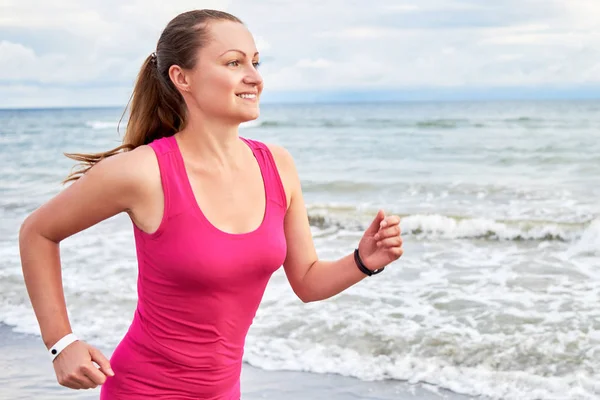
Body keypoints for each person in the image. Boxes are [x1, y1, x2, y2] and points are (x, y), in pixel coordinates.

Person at [18, 9, 404, 400]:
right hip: (145, 391)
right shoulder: (144, 172)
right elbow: (38, 232)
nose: (254, 76)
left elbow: (306, 280)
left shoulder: (277, 165)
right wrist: (61, 343)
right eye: (234, 62)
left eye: (255, 62)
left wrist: (363, 260)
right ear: (181, 77)